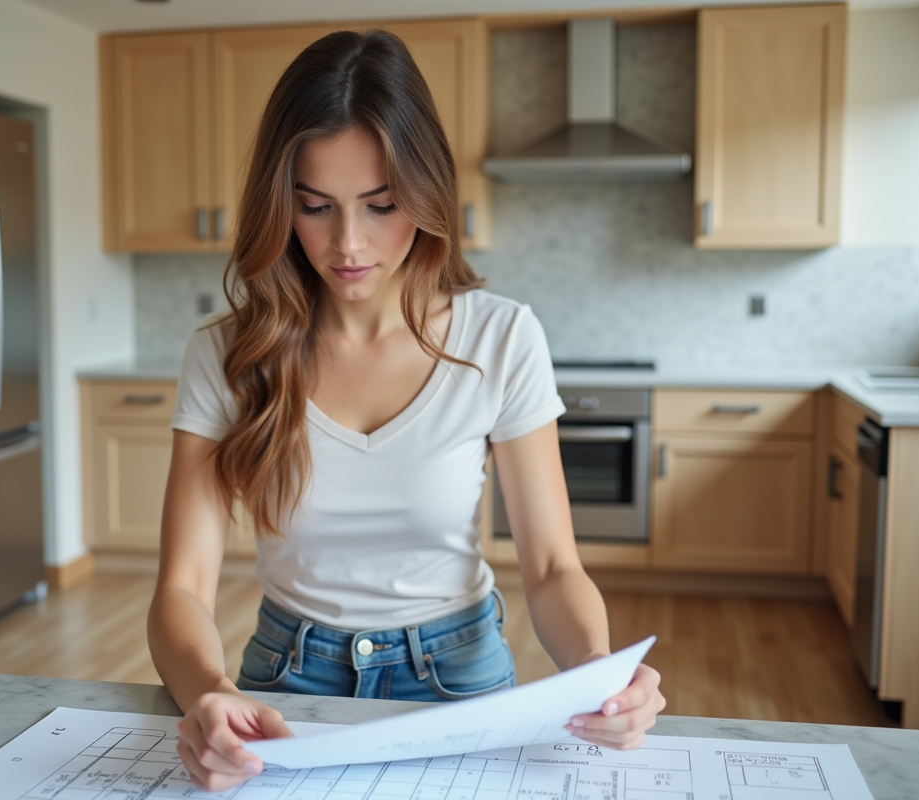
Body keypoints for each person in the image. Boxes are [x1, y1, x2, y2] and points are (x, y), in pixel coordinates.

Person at [147, 28, 665, 793]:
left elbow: (554, 568)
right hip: (289, 682)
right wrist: (209, 693)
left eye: (381, 205)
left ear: (425, 194)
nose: (348, 243)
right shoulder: (229, 355)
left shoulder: (502, 336)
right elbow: (182, 588)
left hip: (460, 678)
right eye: (315, 206)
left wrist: (597, 675)